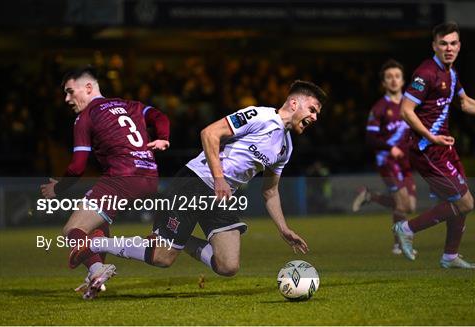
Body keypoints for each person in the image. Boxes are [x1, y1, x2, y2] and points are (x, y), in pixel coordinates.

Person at [69, 80, 327, 286]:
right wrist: (218, 179)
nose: (315, 117)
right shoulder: (259, 116)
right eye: (312, 109)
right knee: (162, 259)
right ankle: (94, 243)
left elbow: (270, 191)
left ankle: (168, 237)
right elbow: (209, 133)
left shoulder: (285, 146)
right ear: (294, 103)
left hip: (220, 195)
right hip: (194, 182)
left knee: (228, 266)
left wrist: (283, 229)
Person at [394, 22, 475, 268]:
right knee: (464, 202)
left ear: (459, 46)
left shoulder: (451, 73)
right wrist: (430, 137)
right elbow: (405, 110)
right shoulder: (426, 73)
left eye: (453, 43)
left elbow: (464, 103)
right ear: (434, 46)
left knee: (462, 202)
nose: (448, 48)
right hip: (426, 149)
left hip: (443, 146)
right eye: (443, 43)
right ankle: (406, 228)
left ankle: (450, 256)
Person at [40, 66, 170, 298]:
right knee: (98, 226)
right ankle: (95, 276)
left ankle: (99, 269)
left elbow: (77, 167)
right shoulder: (131, 105)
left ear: (88, 87)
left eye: (70, 92)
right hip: (150, 177)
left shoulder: (86, 116)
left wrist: (56, 188)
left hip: (122, 178)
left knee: (73, 229)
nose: (67, 99)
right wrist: (162, 137)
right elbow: (160, 116)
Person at [351, 59, 418, 255]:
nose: (394, 80)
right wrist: (390, 148)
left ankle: (370, 196)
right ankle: (399, 244)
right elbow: (370, 138)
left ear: (403, 80)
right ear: (384, 83)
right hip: (387, 161)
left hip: (406, 161)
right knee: (402, 204)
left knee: (410, 206)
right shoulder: (379, 108)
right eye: (389, 77)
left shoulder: (410, 105)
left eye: (397, 76)